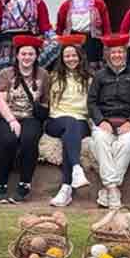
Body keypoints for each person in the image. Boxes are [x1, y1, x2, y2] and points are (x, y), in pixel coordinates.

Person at [87, 34, 130, 209]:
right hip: (105, 121)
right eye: (114, 52)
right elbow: (91, 102)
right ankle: (113, 189)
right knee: (100, 142)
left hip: (127, 121)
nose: (117, 55)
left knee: (125, 146)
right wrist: (101, 121)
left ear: (125, 54)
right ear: (108, 55)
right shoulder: (99, 76)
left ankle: (107, 189)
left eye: (120, 52)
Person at [0, 35, 50, 203]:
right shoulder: (5, 73)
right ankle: (0, 185)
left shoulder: (43, 74)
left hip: (30, 117)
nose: (27, 57)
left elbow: (45, 100)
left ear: (36, 56)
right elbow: (0, 100)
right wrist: (11, 120)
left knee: (29, 139)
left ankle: (25, 183)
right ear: (17, 55)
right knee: (8, 139)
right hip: (5, 117)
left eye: (31, 54)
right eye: (23, 54)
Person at [45, 35, 93, 207]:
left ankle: (66, 188)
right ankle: (76, 170)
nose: (71, 59)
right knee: (69, 123)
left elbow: (91, 106)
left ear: (80, 57)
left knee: (70, 134)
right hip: (56, 120)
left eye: (74, 55)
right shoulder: (53, 77)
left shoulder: (89, 79)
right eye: (67, 56)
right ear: (62, 58)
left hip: (80, 122)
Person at [55, 0, 113, 69]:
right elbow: (60, 26)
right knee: (74, 65)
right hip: (72, 39)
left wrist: (108, 43)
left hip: (92, 40)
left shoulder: (98, 2)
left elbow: (106, 25)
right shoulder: (66, 5)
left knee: (91, 67)